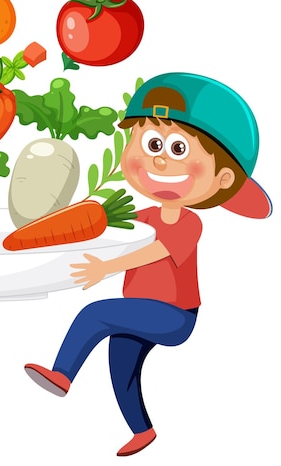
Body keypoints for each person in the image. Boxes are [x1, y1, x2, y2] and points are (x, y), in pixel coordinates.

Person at [24, 72, 272, 457]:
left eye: (176, 149)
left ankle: (62, 374)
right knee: (121, 366)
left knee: (94, 315)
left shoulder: (190, 222)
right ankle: (143, 432)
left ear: (222, 179)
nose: (157, 158)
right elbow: (114, 233)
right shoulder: (143, 215)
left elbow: (153, 251)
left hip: (174, 316)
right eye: (151, 142)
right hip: (142, 310)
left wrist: (105, 269)